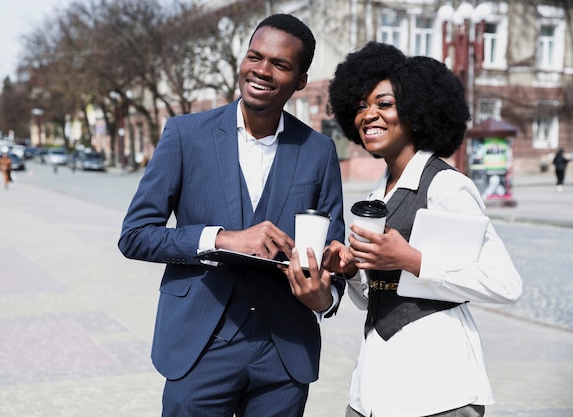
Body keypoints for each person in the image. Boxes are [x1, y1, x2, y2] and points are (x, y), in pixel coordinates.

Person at [118, 14, 346, 417]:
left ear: (300, 81)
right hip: (199, 345)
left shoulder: (318, 151)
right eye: (255, 56)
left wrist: (325, 298)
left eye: (280, 64)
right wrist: (220, 239)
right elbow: (135, 235)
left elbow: (334, 253)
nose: (261, 70)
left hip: (285, 352)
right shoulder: (185, 135)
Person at [295, 41, 523, 417]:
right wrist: (352, 271)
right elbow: (377, 297)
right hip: (374, 386)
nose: (369, 115)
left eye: (384, 104)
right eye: (361, 106)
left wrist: (413, 259)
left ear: (417, 110)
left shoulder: (447, 186)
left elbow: (505, 284)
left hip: (438, 388)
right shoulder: (374, 196)